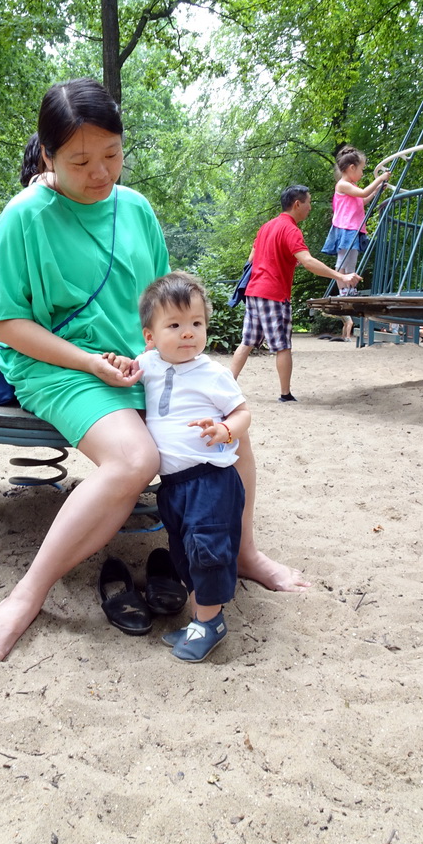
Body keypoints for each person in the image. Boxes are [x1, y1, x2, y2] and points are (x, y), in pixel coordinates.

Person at [0, 78, 308, 662]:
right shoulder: (21, 219)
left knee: (228, 427)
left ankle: (244, 552)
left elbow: (159, 304)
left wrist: (160, 354)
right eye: (79, 161)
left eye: (112, 155)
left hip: (140, 361)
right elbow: (5, 326)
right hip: (59, 365)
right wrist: (90, 361)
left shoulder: (137, 210)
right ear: (47, 157)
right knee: (135, 459)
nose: (100, 173)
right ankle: (28, 593)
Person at [109, 271, 252, 662]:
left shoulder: (214, 374)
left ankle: (211, 622)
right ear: (150, 337)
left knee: (208, 551)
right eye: (174, 325)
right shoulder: (149, 363)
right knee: (184, 552)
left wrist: (225, 428)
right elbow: (130, 369)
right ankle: (198, 620)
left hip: (211, 479)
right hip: (173, 484)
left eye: (196, 323)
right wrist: (116, 362)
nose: (188, 333)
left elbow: (243, 413)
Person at [230, 185, 362, 401]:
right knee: (283, 346)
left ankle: (226, 387)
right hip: (273, 293)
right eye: (308, 202)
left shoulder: (266, 227)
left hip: (254, 292)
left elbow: (253, 258)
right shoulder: (291, 229)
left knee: (247, 342)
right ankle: (285, 394)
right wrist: (341, 276)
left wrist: (284, 261)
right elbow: (309, 262)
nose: (310, 207)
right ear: (297, 204)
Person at [322, 146, 390, 340]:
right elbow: (361, 194)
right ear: (351, 168)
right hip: (345, 227)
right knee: (342, 262)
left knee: (352, 260)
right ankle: (343, 289)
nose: (362, 173)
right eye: (361, 169)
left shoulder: (352, 188)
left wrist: (378, 189)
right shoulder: (343, 185)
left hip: (354, 227)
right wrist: (379, 179)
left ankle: (349, 288)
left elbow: (363, 200)